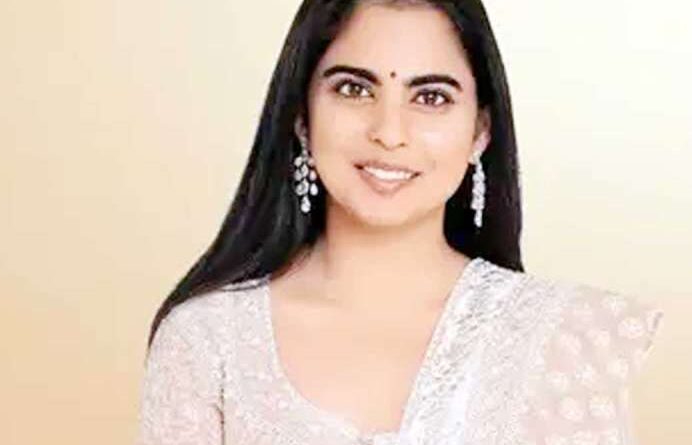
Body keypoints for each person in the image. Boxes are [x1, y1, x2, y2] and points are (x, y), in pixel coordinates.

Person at [136, 1, 664, 444]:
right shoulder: (211, 341)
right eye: (354, 89)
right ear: (302, 117)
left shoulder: (566, 340)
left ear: (480, 130)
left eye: (431, 97)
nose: (390, 132)